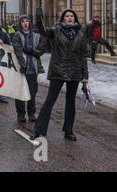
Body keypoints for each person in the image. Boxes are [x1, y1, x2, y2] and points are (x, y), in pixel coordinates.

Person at [31, 8, 89, 142]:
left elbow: (83, 56)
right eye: (67, 16)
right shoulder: (55, 31)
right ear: (63, 18)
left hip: (74, 71)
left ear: (74, 18)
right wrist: (39, 20)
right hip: (58, 70)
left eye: (72, 16)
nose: (70, 18)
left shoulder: (80, 33)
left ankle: (69, 131)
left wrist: (85, 75)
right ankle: (38, 130)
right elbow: (43, 32)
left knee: (70, 102)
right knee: (49, 101)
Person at [12, 15, 45, 123]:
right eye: (23, 22)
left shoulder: (36, 35)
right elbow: (18, 50)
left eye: (27, 21)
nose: (25, 23)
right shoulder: (17, 35)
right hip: (22, 68)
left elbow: (41, 48)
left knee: (32, 92)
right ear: (20, 24)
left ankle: (31, 113)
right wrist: (22, 64)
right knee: (20, 91)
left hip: (33, 68)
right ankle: (21, 114)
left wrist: (33, 51)